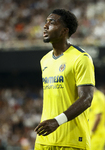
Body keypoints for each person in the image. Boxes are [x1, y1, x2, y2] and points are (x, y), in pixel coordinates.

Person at [34, 9, 95, 150]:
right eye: (46, 22)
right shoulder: (45, 60)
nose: (45, 26)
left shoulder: (81, 58)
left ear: (64, 31)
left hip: (72, 141)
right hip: (44, 140)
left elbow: (86, 99)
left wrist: (57, 121)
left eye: (52, 22)